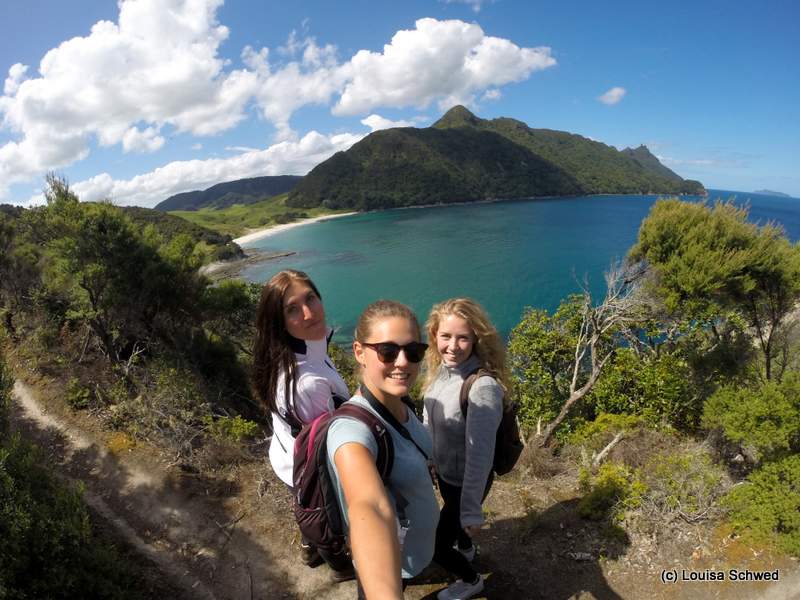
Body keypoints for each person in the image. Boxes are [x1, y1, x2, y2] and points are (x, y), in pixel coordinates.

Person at [326, 300, 439, 599]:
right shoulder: (351, 431)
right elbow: (370, 506)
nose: (403, 362)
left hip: (413, 552)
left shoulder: (401, 404)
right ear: (360, 352)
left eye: (413, 351)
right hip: (390, 564)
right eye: (388, 351)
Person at [252, 269, 353, 578]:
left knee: (305, 508)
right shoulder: (305, 382)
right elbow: (329, 445)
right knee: (322, 515)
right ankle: (339, 566)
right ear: (279, 322)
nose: (309, 313)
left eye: (310, 299)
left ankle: (310, 549)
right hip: (305, 465)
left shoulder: (286, 353)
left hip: (285, 455)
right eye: (292, 309)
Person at [423, 298, 510, 600]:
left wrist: (471, 510)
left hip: (467, 481)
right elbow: (429, 416)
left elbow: (480, 455)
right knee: (455, 529)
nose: (453, 345)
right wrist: (430, 458)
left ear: (476, 339)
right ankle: (467, 551)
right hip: (447, 474)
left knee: (436, 545)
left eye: (463, 337)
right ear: (434, 335)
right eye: (446, 336)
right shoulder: (442, 371)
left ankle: (472, 580)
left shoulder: (482, 387)